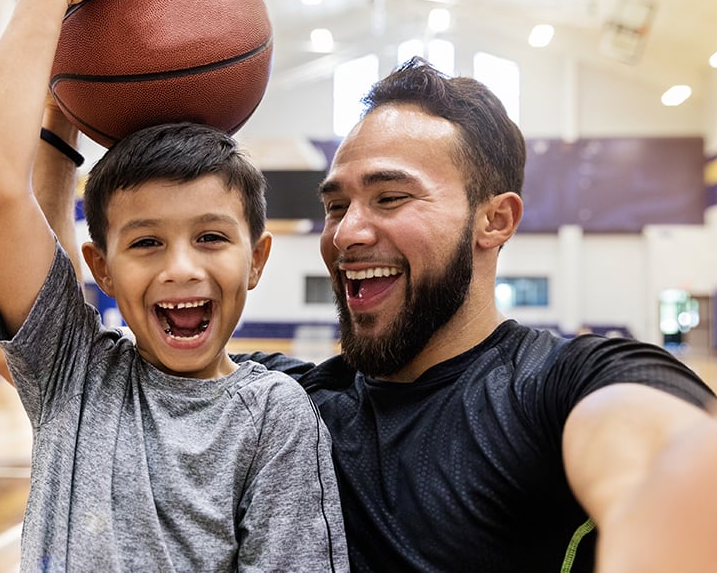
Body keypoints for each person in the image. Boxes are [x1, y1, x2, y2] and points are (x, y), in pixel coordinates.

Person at [233, 57, 717, 572]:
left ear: (495, 220)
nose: (346, 233)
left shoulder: (557, 387)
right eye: (335, 207)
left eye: (390, 198)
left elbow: (665, 454)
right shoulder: (290, 404)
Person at [0, 0, 348, 571]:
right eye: (146, 242)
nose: (181, 268)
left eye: (211, 237)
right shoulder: (75, 376)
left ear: (257, 260)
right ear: (101, 269)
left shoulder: (276, 415)